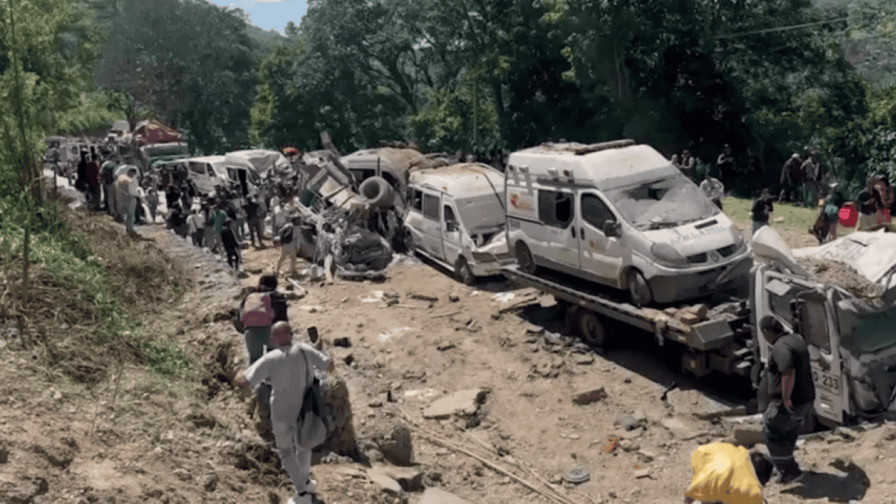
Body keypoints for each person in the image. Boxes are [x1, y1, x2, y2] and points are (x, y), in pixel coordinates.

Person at [234, 322, 334, 504]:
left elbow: (245, 381)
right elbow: (329, 366)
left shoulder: (270, 358)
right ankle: (305, 482)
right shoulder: (304, 349)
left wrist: (238, 376)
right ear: (292, 334)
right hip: (305, 409)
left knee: (286, 451)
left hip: (280, 412)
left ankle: (302, 493)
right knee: (304, 446)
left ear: (273, 338)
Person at [757, 316, 814, 484]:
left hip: (786, 403)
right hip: (806, 399)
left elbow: (787, 370)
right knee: (789, 434)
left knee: (771, 435)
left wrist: (786, 397)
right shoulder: (796, 339)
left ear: (767, 332)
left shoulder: (780, 347)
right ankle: (785, 470)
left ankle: (791, 472)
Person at [117, 167, 140, 235]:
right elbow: (129, 190)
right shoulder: (127, 180)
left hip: (128, 197)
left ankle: (129, 228)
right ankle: (129, 229)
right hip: (129, 198)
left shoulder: (131, 179)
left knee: (128, 214)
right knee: (129, 214)